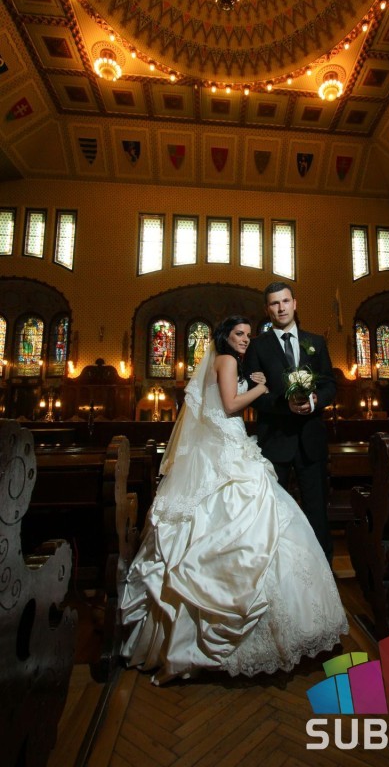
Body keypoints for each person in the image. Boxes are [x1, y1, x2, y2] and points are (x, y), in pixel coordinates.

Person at [120, 315, 348, 684]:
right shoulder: (226, 361)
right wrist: (261, 387)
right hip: (225, 450)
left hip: (229, 444)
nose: (245, 340)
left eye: (248, 335)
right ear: (225, 336)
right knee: (245, 524)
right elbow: (229, 406)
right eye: (239, 334)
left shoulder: (226, 362)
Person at [244, 282, 336, 564]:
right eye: (274, 303)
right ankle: (279, 571)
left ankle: (323, 571)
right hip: (275, 440)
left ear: (294, 304)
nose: (281, 308)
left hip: (311, 440)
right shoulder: (257, 346)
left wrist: (315, 401)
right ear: (267, 309)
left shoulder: (316, 342)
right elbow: (254, 395)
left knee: (317, 511)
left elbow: (330, 384)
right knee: (275, 513)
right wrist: (285, 405)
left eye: (285, 301)